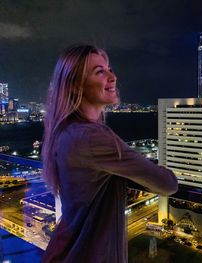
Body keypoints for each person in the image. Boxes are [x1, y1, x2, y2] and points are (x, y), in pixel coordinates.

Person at [41, 44, 178, 263]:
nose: (112, 77)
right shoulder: (91, 137)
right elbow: (168, 184)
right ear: (76, 86)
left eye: (109, 68)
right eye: (99, 72)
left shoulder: (67, 130)